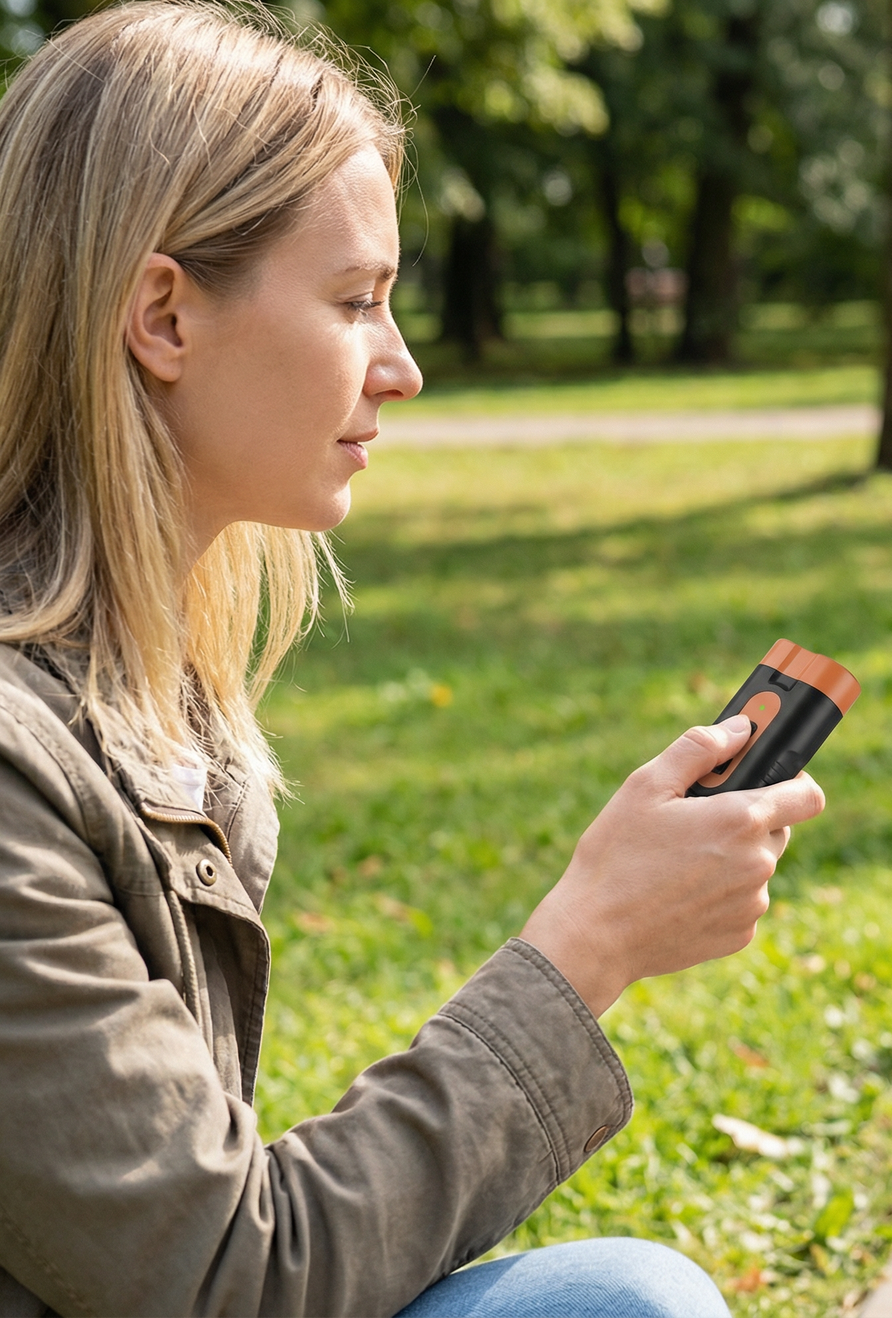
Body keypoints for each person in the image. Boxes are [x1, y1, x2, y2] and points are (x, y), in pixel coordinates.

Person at [0, 4, 827, 1315]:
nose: (405, 368)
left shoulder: (155, 705)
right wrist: (589, 941)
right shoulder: (12, 770)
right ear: (163, 314)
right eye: (355, 301)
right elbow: (227, 1276)